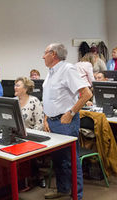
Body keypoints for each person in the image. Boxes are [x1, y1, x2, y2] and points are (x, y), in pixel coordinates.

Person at [42, 43, 92, 200]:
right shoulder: (51, 72)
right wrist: (45, 118)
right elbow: (49, 98)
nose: (43, 56)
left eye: (45, 53)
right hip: (52, 121)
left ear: (54, 54)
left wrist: (71, 113)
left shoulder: (68, 69)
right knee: (58, 159)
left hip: (66, 122)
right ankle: (63, 189)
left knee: (71, 159)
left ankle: (77, 195)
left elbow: (86, 94)